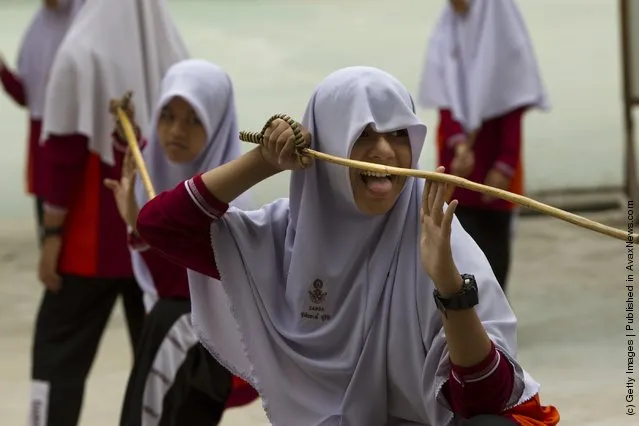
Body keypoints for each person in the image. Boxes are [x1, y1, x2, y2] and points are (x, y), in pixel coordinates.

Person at [135, 66, 559, 425]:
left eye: (398, 135)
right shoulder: (280, 239)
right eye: (364, 134)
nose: (384, 152)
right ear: (327, 146)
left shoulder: (434, 236)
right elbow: (159, 227)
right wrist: (264, 160)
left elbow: (483, 404)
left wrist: (449, 286)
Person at [31, 0, 189, 424]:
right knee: (157, 367)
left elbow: (63, 153)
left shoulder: (78, 51)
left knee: (58, 356)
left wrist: (50, 237)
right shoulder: (176, 53)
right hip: (156, 244)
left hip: (89, 244)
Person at [105, 59, 259, 426]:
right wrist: (121, 133)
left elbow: (182, 285)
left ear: (218, 125)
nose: (176, 130)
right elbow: (136, 168)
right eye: (168, 116)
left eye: (194, 120)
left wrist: (137, 226)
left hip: (190, 338)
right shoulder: (160, 169)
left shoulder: (229, 203)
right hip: (176, 332)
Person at [417, 0, 550, 292]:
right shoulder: (447, 30)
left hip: (495, 158)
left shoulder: (503, 32)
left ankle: (493, 315)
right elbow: (444, 98)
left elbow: (513, 102)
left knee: (494, 242)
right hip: (458, 161)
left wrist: (505, 163)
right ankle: (463, 311)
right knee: (456, 236)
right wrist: (459, 144)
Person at [0, 0, 84, 243]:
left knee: (72, 234)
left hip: (74, 145)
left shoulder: (81, 30)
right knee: (47, 232)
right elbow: (27, 97)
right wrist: (3, 71)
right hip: (42, 145)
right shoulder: (38, 27)